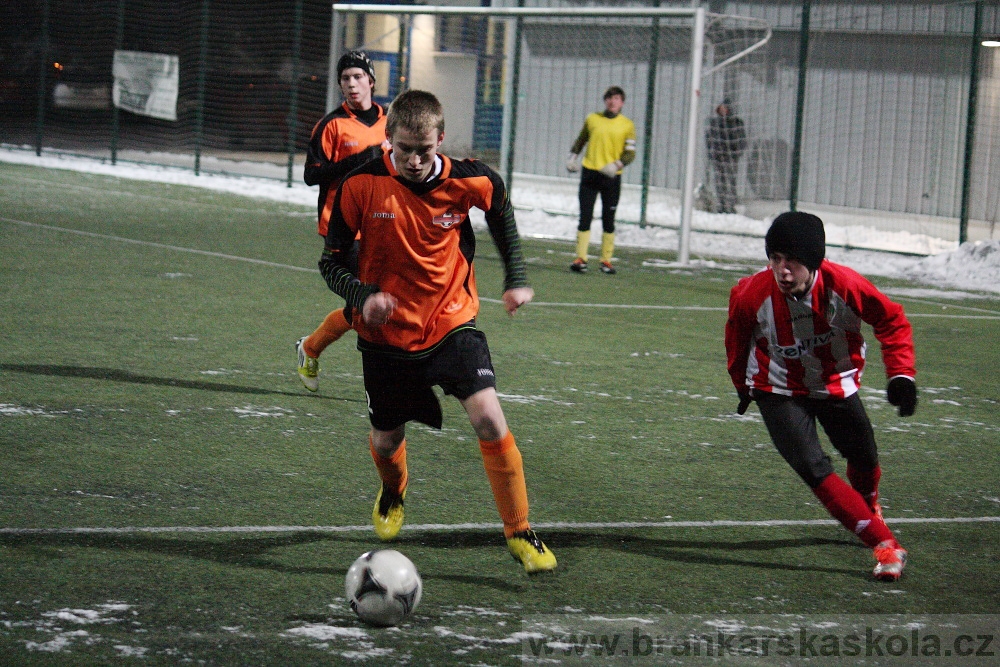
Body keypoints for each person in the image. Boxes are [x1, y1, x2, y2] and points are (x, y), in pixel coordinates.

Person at [318, 89, 557, 574]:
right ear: (389, 140)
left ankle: (519, 530)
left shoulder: (471, 179)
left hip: (452, 322)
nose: (413, 159)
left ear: (440, 140)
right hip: (385, 337)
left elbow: (502, 217)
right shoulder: (358, 185)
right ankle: (393, 490)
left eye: (424, 149)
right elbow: (330, 263)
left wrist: (517, 279)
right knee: (386, 441)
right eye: (404, 148)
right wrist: (364, 297)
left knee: (489, 417)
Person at [725, 211, 917, 582]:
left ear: (813, 261)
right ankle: (884, 544)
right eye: (775, 259)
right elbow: (736, 337)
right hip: (777, 387)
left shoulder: (844, 285)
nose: (782, 270)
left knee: (863, 455)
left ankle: (867, 509)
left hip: (833, 381)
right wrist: (742, 385)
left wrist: (902, 375)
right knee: (813, 467)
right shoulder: (752, 293)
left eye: (792, 261)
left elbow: (891, 320)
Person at [295, 50, 388, 392]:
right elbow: (311, 175)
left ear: (371, 81)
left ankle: (310, 347)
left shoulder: (390, 123)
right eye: (345, 78)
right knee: (370, 303)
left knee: (368, 305)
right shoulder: (331, 124)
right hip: (345, 227)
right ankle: (384, 388)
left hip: (385, 224)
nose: (351, 84)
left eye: (358, 77)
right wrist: (361, 160)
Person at [565, 86, 636, 274]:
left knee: (608, 218)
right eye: (610, 98)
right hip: (590, 173)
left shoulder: (627, 125)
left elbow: (630, 153)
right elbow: (581, 140)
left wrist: (617, 165)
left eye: (617, 99)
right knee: (585, 216)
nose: (613, 102)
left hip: (611, 177)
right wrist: (572, 157)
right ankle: (581, 258)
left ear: (622, 103)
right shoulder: (592, 119)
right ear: (605, 100)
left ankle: (606, 260)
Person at [705, 99, 746, 214]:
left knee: (731, 181)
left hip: (730, 158)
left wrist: (736, 153)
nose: (723, 110)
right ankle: (721, 204)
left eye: (725, 108)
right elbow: (709, 139)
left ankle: (731, 205)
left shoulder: (737, 123)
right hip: (718, 157)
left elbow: (742, 140)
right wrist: (711, 153)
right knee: (719, 181)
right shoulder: (714, 123)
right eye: (721, 108)